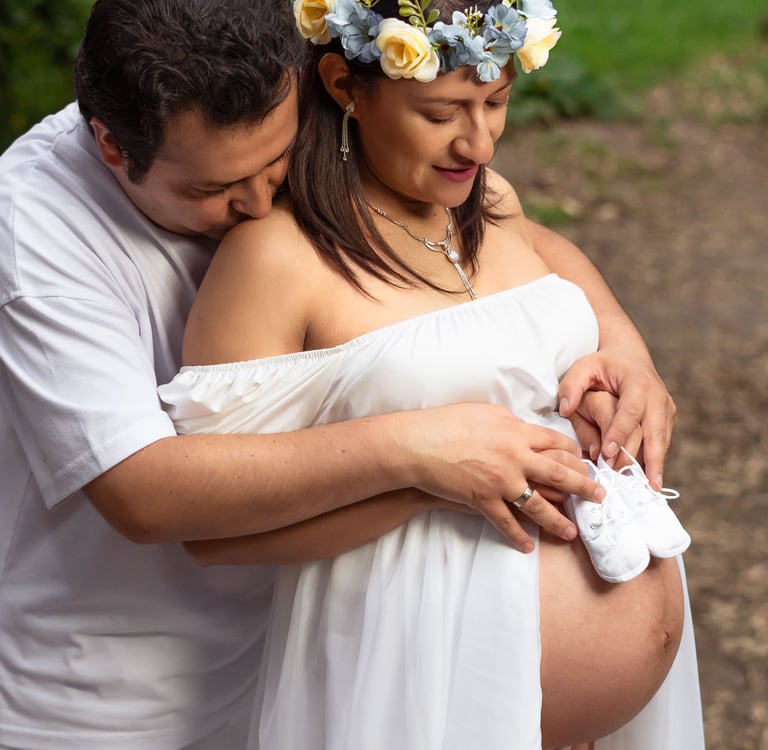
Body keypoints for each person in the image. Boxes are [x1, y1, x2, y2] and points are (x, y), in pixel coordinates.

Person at [0, 0, 684, 748]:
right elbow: (144, 492)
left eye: (276, 162)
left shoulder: (283, 126)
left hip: (300, 639)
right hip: (114, 688)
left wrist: (621, 343)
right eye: (212, 191)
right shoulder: (36, 236)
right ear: (110, 145)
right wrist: (417, 457)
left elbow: (513, 235)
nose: (261, 202)